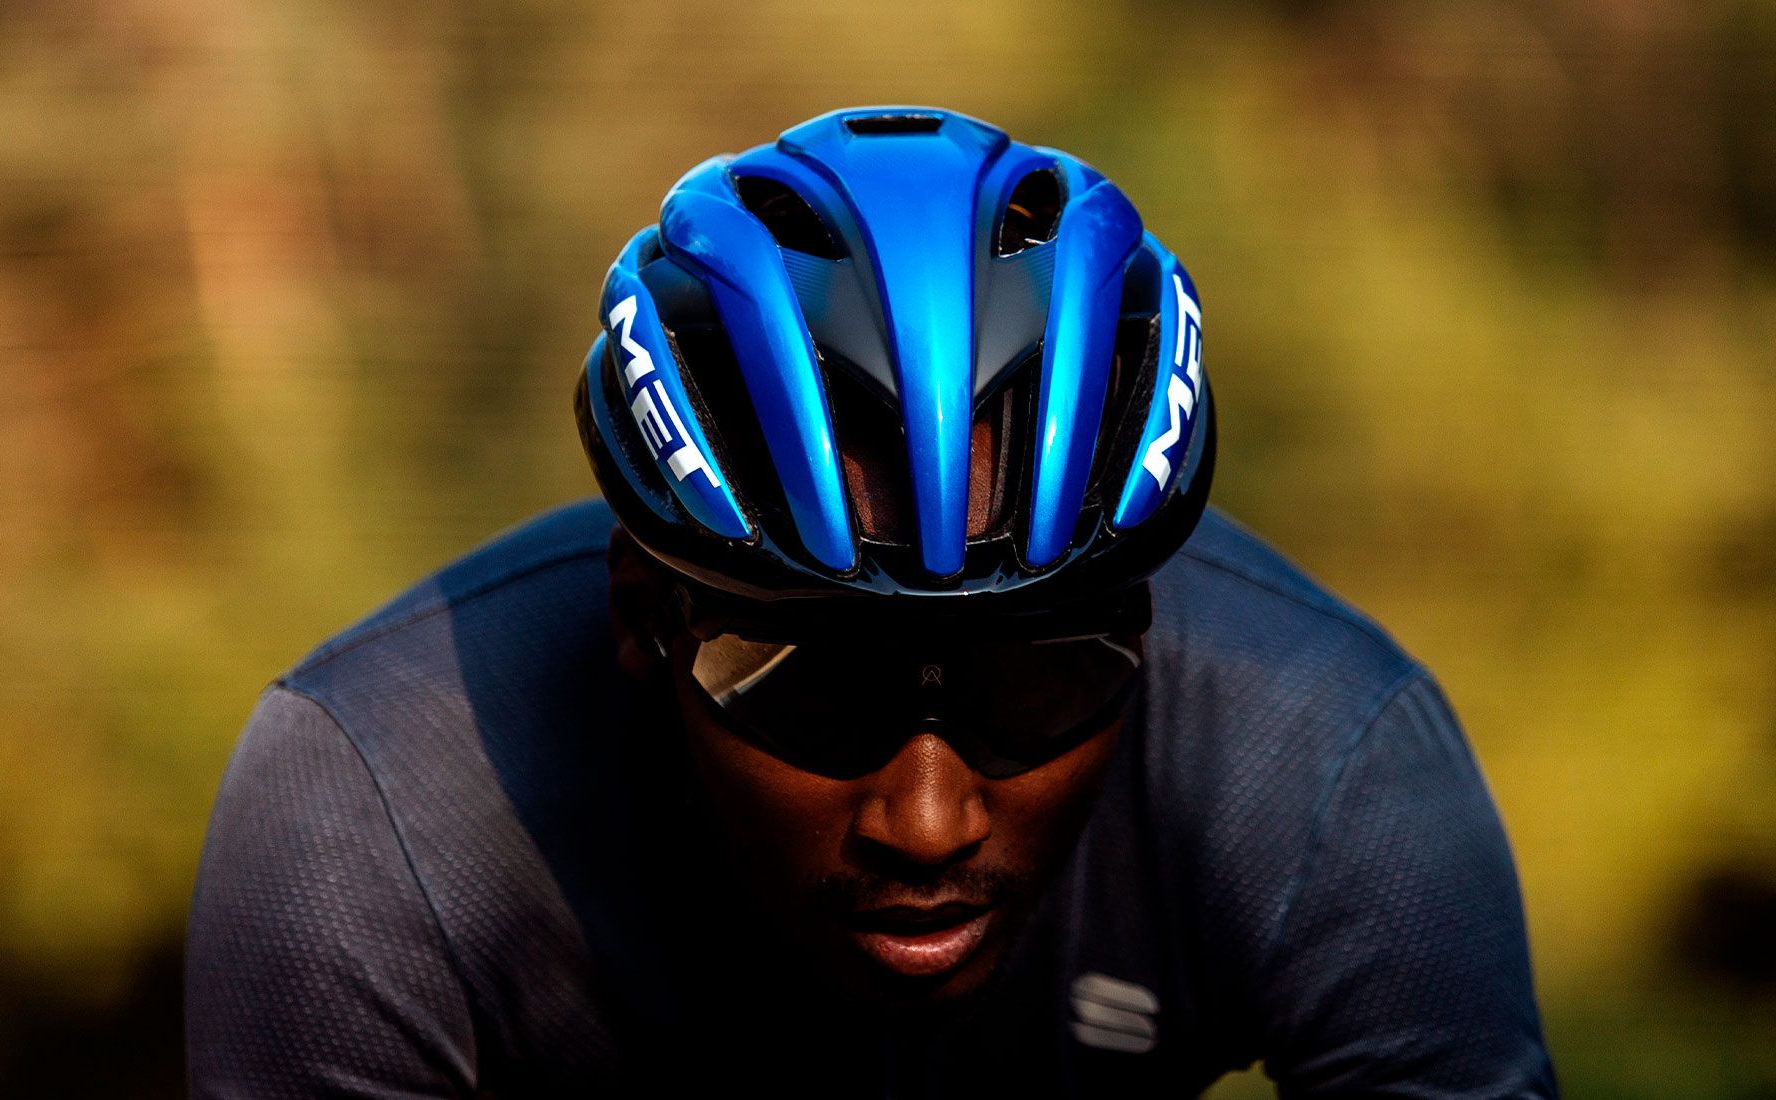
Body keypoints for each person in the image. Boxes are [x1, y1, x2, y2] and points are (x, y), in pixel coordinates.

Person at [185, 106, 1555, 1098]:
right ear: (639, 617)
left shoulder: (1330, 759)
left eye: (1035, 683)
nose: (927, 821)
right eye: (811, 686)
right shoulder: (365, 809)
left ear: (1145, 628)